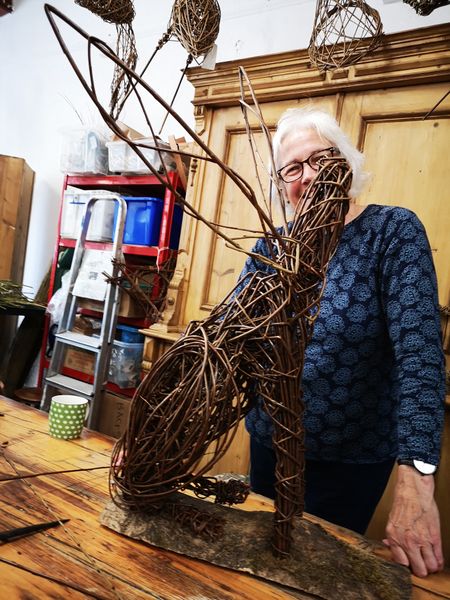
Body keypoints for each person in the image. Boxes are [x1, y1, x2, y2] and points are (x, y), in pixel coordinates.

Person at [239, 107, 446, 578]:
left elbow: (420, 357)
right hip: (268, 447)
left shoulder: (391, 233)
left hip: (349, 463)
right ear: (282, 186)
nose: (307, 176)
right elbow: (232, 342)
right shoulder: (271, 249)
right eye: (292, 168)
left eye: (319, 159)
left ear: (346, 164)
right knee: (256, 572)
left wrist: (417, 480)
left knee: (314, 577)